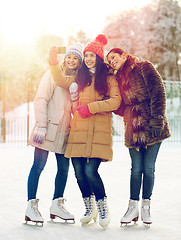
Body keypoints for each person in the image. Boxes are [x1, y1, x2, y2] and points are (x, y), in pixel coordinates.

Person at [49, 34, 121, 229]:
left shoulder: (108, 77)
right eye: (86, 55)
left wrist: (91, 107)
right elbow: (60, 79)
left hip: (99, 131)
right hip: (78, 131)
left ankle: (102, 206)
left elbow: (116, 101)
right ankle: (89, 207)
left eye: (92, 55)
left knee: (91, 171)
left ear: (99, 57)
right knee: (79, 173)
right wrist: (54, 61)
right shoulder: (78, 76)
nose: (88, 58)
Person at [107, 48, 171, 226]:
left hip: (152, 124)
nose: (112, 61)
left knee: (148, 168)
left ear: (124, 56)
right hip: (133, 128)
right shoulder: (118, 79)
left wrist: (158, 119)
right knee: (136, 169)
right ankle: (132, 208)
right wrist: (112, 102)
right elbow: (121, 108)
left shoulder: (144, 67)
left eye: (114, 57)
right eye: (109, 60)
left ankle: (146, 207)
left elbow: (158, 92)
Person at [25, 43, 83, 226]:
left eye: (76, 58)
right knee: (38, 166)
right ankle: (31, 207)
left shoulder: (78, 82)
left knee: (64, 169)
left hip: (65, 133)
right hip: (47, 129)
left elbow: (76, 109)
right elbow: (41, 99)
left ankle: (57, 204)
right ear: (65, 58)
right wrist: (41, 125)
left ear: (80, 62)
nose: (72, 61)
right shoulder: (52, 73)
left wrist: (75, 97)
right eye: (70, 57)